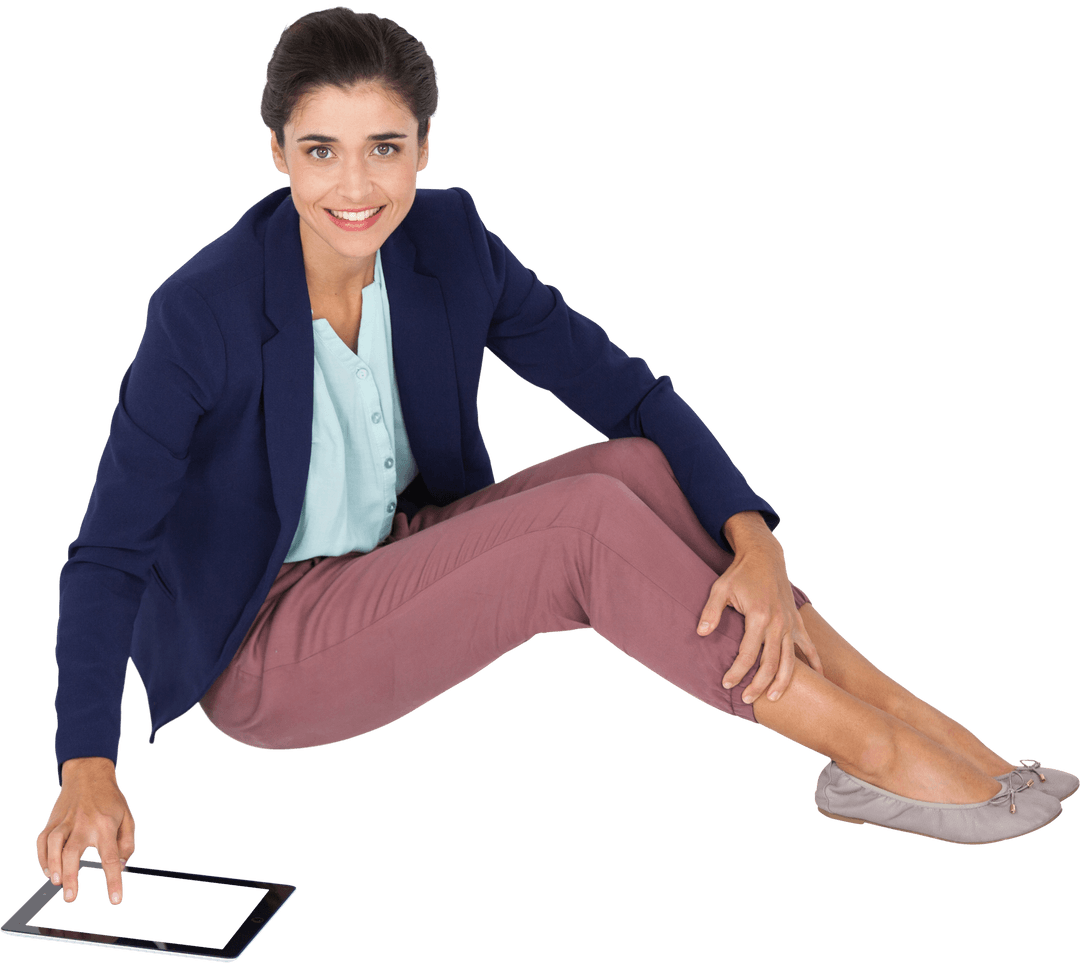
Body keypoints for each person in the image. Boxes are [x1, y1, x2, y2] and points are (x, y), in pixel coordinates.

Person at [37, 7, 1075, 908]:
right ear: (276, 151)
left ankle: (894, 713)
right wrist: (88, 762)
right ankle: (874, 754)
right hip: (266, 643)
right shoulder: (199, 312)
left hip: (387, 554)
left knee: (629, 471)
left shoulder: (450, 244)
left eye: (384, 148)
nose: (356, 186)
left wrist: (753, 539)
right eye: (321, 151)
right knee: (581, 534)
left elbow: (631, 394)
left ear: (425, 147)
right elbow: (106, 555)